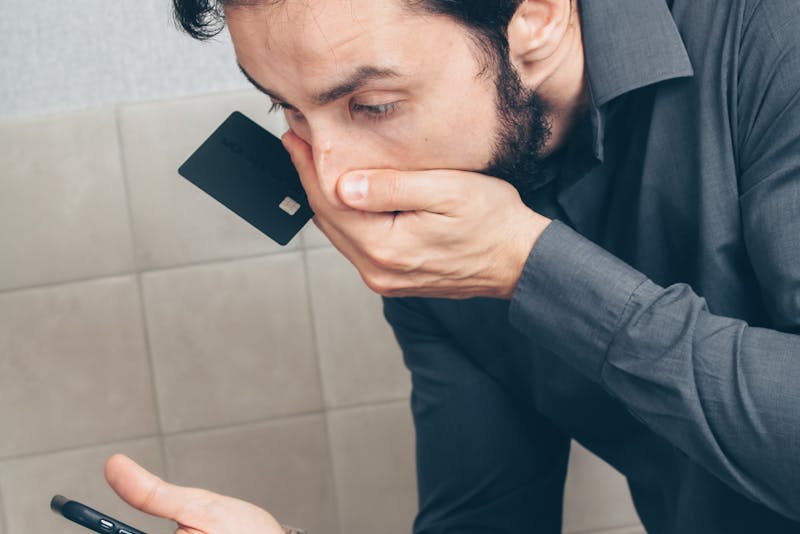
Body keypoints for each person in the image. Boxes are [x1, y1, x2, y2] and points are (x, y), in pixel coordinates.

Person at [105, 0, 800, 531]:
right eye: (286, 107)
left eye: (372, 106)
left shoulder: (772, 41)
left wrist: (532, 267)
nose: (341, 182)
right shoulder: (437, 241)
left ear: (538, 16)